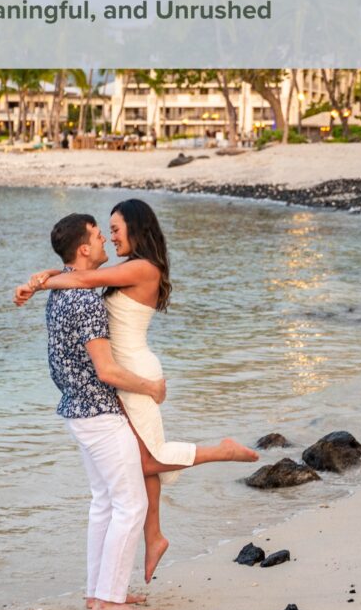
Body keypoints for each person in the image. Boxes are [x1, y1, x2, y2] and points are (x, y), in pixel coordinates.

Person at [15, 199, 258, 585]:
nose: (111, 237)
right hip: (123, 377)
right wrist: (41, 279)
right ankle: (154, 535)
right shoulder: (127, 269)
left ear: (135, 227)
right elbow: (76, 271)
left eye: (115, 229)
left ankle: (221, 451)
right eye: (105, 232)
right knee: (141, 459)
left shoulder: (143, 268)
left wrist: (36, 285)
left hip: (135, 375)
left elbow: (78, 278)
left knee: (147, 459)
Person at [18, 212, 167, 610]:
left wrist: (39, 280)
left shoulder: (64, 292)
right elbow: (107, 370)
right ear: (84, 248)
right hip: (99, 411)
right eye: (99, 236)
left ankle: (97, 593)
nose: (104, 241)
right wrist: (150, 387)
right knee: (130, 505)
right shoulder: (85, 299)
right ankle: (109, 602)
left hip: (76, 410)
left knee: (104, 503)